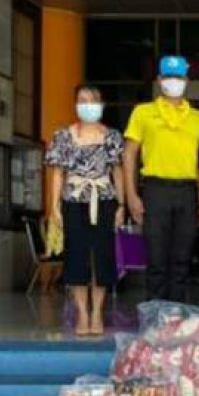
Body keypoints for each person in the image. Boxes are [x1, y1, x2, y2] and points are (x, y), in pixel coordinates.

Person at [123, 56, 199, 302]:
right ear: (159, 80)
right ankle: (155, 317)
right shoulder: (143, 112)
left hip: (187, 191)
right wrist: (131, 195)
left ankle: (177, 315)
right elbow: (129, 154)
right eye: (169, 77)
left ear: (187, 80)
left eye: (178, 77)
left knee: (182, 260)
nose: (174, 81)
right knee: (156, 259)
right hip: (155, 189)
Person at [46, 85, 125, 336]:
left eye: (93, 100)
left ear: (101, 105)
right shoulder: (62, 136)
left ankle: (97, 312)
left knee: (103, 256)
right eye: (83, 100)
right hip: (73, 201)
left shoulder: (112, 136)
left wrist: (121, 205)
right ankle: (82, 312)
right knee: (76, 256)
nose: (88, 104)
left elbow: (118, 172)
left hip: (104, 200)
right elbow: (57, 173)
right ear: (75, 104)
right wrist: (54, 206)